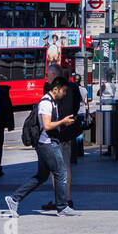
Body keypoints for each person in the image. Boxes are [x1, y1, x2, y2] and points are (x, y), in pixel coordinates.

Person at [3, 76, 79, 217]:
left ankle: (14, 198)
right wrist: (62, 121)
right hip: (47, 144)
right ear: (55, 89)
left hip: (47, 143)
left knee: (41, 176)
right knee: (61, 173)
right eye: (63, 91)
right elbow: (47, 125)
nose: (65, 93)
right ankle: (62, 207)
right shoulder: (46, 103)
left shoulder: (53, 102)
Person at [43, 71, 85, 210]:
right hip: (69, 131)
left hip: (58, 132)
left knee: (56, 168)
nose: (47, 77)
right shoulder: (73, 87)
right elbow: (77, 106)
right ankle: (67, 198)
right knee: (66, 164)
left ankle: (60, 200)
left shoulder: (53, 90)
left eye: (49, 74)